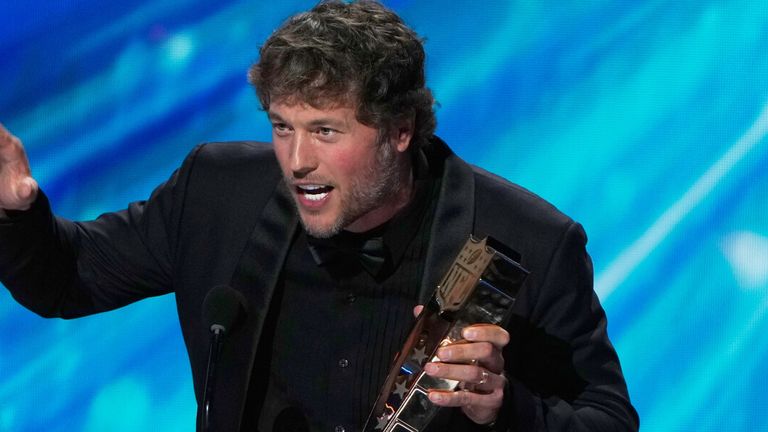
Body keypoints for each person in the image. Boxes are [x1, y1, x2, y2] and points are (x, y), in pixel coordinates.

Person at [0, 1, 639, 431]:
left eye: (327, 131)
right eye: (283, 127)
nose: (297, 160)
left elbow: (608, 418)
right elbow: (67, 279)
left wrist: (509, 410)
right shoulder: (219, 193)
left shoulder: (530, 240)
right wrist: (15, 210)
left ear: (399, 131)